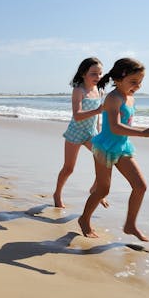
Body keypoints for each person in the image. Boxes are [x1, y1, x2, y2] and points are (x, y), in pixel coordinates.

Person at [77, 57, 149, 241]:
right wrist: (143, 132)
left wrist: (141, 132)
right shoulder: (113, 98)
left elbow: (125, 124)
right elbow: (114, 127)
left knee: (140, 186)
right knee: (102, 190)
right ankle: (84, 219)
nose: (137, 86)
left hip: (122, 147)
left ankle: (130, 225)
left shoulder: (130, 97)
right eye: (133, 82)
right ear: (119, 78)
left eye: (140, 82)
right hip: (105, 147)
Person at [53, 57, 106, 208]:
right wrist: (96, 110)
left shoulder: (100, 90)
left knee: (105, 159)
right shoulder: (79, 90)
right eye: (94, 74)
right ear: (84, 73)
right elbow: (77, 114)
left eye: (100, 73)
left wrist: (100, 133)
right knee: (69, 168)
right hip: (75, 132)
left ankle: (95, 189)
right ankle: (57, 193)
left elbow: (98, 116)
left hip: (91, 133)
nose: (98, 77)